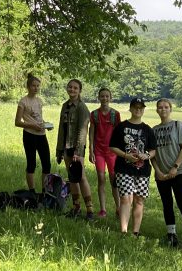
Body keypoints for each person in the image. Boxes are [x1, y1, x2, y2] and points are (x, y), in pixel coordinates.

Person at [151, 98, 182, 251]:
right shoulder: (154, 130)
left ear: (170, 109)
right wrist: (158, 171)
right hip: (161, 175)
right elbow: (152, 154)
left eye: (166, 107)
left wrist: (175, 167)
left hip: (179, 173)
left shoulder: (178, 125)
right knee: (167, 204)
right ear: (157, 110)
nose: (163, 109)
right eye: (160, 107)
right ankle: (171, 235)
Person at [109, 97, 157, 236]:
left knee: (139, 200)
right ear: (130, 109)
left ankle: (135, 232)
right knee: (125, 198)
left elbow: (153, 150)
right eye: (135, 107)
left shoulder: (147, 129)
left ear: (143, 110)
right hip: (123, 168)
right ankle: (124, 231)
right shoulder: (121, 127)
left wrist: (146, 155)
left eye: (141, 107)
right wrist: (126, 155)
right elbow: (112, 147)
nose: (138, 110)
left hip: (142, 170)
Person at [56, 78, 94, 220]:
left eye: (75, 88)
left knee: (81, 177)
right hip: (66, 146)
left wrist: (78, 152)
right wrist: (59, 150)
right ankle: (76, 208)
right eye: (70, 87)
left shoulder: (81, 107)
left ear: (79, 91)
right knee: (72, 178)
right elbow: (61, 129)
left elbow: (83, 130)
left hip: (77, 148)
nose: (72, 89)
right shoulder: (65, 106)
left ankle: (90, 211)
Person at [14, 72, 51, 193]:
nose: (36, 88)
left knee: (47, 164)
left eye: (38, 86)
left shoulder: (39, 101)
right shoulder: (23, 102)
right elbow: (17, 122)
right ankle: (32, 192)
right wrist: (33, 126)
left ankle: (45, 192)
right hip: (29, 135)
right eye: (33, 86)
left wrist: (46, 125)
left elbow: (39, 118)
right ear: (28, 87)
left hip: (41, 135)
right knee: (31, 164)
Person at [88, 87, 121, 218]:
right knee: (101, 178)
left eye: (107, 96)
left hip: (112, 152)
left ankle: (118, 208)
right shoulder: (94, 114)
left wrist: (120, 151)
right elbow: (91, 132)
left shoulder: (115, 114)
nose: (104, 98)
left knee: (114, 180)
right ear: (99, 98)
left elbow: (118, 133)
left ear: (110, 98)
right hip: (99, 151)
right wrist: (91, 150)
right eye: (102, 96)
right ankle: (103, 209)